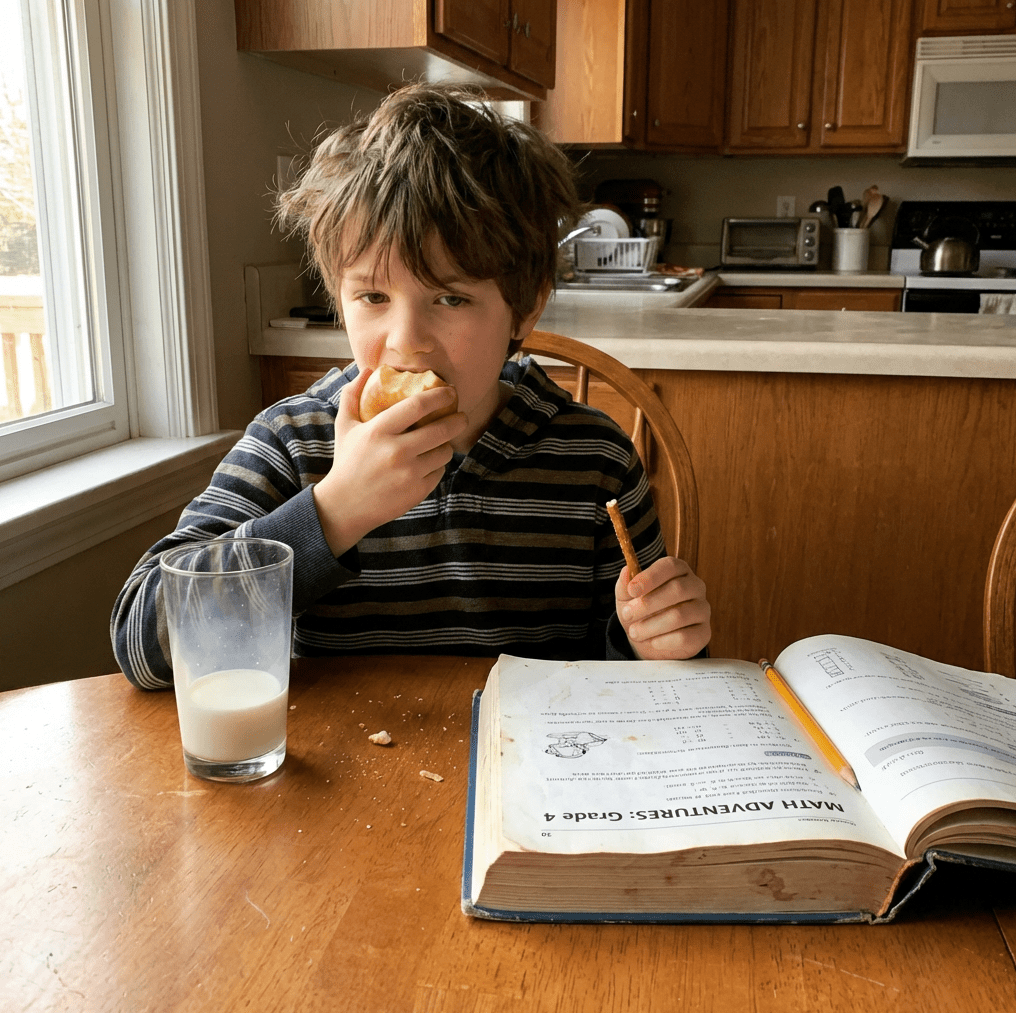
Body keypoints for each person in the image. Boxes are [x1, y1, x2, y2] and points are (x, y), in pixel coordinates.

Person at [111, 83, 711, 690]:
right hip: (345, 773)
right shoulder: (293, 444)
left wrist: (651, 642)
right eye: (374, 296)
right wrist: (335, 511)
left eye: (450, 297)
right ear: (341, 304)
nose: (406, 341)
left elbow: (630, 678)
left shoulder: (595, 461)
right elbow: (141, 642)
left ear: (524, 309)